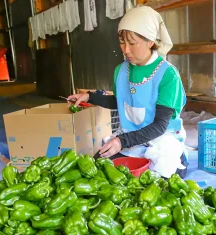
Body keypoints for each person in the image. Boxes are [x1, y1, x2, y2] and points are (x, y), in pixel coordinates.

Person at [68, 6, 188, 178]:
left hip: (161, 140)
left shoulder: (168, 76)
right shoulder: (121, 71)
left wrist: (121, 141)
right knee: (96, 167)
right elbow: (121, 101)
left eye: (132, 43)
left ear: (150, 41)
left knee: (161, 181)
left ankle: (181, 159)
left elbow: (159, 126)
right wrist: (90, 96)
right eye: (122, 42)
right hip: (132, 137)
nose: (126, 50)